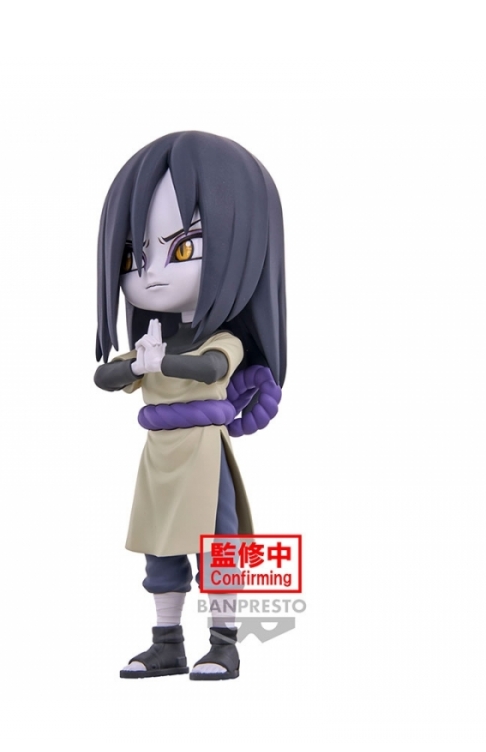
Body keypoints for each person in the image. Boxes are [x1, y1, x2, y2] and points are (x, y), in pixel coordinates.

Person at [94, 131, 286, 680]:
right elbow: (105, 376)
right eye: (134, 254)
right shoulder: (150, 340)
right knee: (160, 546)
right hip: (158, 456)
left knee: (216, 543)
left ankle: (224, 643)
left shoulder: (220, 338)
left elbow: (212, 369)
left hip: (203, 452)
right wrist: (138, 365)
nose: (151, 273)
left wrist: (161, 364)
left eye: (182, 249)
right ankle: (167, 643)